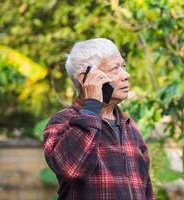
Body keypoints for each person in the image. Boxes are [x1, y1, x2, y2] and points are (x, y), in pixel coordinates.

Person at [43, 38, 154, 200]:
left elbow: (147, 191)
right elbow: (71, 169)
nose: (126, 75)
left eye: (123, 66)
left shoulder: (129, 127)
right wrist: (91, 108)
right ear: (85, 79)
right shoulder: (62, 122)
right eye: (115, 68)